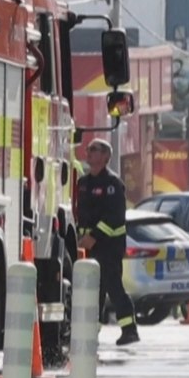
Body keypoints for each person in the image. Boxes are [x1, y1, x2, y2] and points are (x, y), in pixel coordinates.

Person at [76, 138, 139, 346]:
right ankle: (91, 332)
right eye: (88, 149)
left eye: (94, 149)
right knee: (94, 290)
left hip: (109, 245)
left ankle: (129, 329)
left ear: (105, 157)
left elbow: (115, 218)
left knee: (113, 285)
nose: (89, 152)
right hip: (87, 246)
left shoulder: (113, 184)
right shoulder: (83, 184)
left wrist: (94, 237)